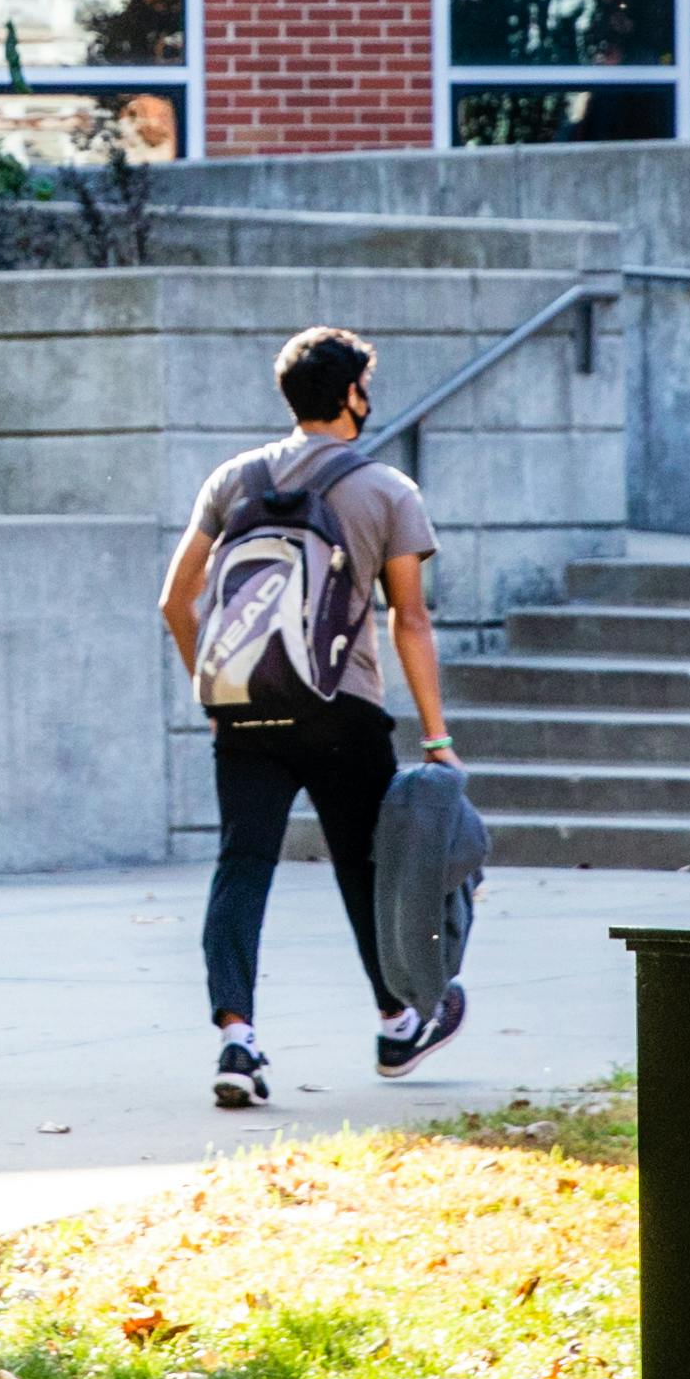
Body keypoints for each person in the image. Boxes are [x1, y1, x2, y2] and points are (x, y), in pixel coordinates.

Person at [162, 323, 460, 1108]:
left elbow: (175, 599)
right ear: (352, 394)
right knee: (367, 868)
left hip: (246, 714)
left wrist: (220, 686)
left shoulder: (233, 479)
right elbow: (410, 621)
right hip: (344, 709)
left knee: (242, 864)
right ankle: (397, 1022)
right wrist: (437, 737)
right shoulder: (387, 491)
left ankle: (237, 1037)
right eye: (366, 383)